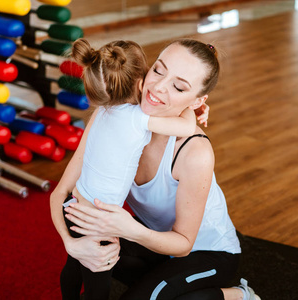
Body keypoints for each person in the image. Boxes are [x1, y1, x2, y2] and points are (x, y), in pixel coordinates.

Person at [51, 39, 260, 300]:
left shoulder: (195, 153)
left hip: (204, 252)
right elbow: (61, 191)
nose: (159, 88)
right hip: (154, 240)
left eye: (179, 86)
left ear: (198, 100)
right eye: (159, 70)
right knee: (93, 258)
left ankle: (240, 295)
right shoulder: (115, 112)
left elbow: (184, 244)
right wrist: (74, 246)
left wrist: (128, 229)